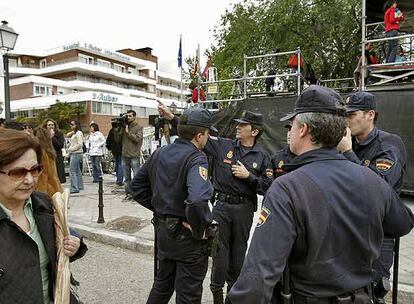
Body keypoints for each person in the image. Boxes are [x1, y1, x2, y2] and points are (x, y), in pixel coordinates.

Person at [227, 85, 414, 304]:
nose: (290, 132)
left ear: (303, 129)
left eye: (292, 125)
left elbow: (257, 277)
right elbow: (402, 223)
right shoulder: (370, 179)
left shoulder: (286, 188)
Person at [130, 107, 217, 304]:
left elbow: (136, 187)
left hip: (164, 234)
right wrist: (199, 227)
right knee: (188, 295)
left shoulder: (160, 153)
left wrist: (163, 212)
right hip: (187, 239)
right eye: (207, 133)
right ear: (198, 135)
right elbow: (197, 200)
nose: (208, 138)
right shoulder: (197, 157)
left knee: (162, 286)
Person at [0, 128, 88, 304]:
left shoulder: (43, 203)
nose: (30, 180)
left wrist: (75, 244)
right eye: (18, 172)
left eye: (35, 170)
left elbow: (63, 235)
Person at [338, 91, 407, 302]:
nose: (346, 120)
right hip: (350, 228)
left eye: (352, 114)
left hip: (379, 233)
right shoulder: (350, 144)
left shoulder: (389, 145)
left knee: (371, 292)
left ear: (370, 114)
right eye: (344, 115)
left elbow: (378, 188)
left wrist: (348, 153)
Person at [114, 110, 143, 200]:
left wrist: (128, 132)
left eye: (130, 116)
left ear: (134, 117)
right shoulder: (124, 127)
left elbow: (137, 139)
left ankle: (137, 194)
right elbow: (117, 140)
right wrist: (117, 129)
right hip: (124, 155)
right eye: (127, 116)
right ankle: (128, 194)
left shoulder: (139, 127)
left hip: (134, 155)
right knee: (126, 178)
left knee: (136, 176)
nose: (128, 118)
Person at [33, 126, 64, 198]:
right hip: (54, 183)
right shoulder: (49, 150)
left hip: (45, 185)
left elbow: (44, 172)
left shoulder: (41, 151)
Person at [42, 119, 66, 183]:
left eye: (52, 125)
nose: (51, 126)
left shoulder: (59, 133)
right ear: (46, 126)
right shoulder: (43, 134)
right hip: (47, 156)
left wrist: (52, 137)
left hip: (57, 156)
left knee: (58, 176)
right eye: (49, 125)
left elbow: (60, 145)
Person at [66, 120, 84, 194]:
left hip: (76, 153)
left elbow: (80, 144)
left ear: (76, 125)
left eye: (72, 124)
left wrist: (71, 149)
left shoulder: (78, 133)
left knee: (72, 171)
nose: (70, 125)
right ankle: (79, 186)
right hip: (76, 153)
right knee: (77, 171)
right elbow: (67, 135)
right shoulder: (76, 133)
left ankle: (74, 188)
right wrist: (73, 132)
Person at [106, 121, 124, 186]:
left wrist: (110, 148)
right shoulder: (123, 130)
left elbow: (108, 141)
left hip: (114, 150)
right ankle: (120, 180)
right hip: (122, 149)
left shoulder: (112, 130)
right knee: (121, 164)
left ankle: (118, 179)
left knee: (117, 163)